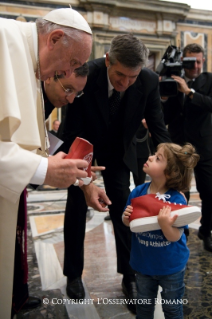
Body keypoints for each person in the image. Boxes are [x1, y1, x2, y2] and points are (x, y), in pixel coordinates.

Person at [0, 8, 111, 319]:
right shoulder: (4, 44)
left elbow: (43, 146)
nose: (67, 73)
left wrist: (83, 181)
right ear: (55, 39)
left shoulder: (35, 66)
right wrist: (43, 169)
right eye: (73, 63)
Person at [58, 33, 171, 313]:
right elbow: (71, 128)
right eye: (120, 75)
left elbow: (158, 126)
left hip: (119, 153)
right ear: (109, 60)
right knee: (76, 207)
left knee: (125, 210)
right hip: (82, 145)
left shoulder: (147, 80)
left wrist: (174, 161)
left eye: (131, 78)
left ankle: (129, 276)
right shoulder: (88, 74)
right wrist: (85, 179)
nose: (124, 83)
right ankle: (73, 274)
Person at [122, 142, 199, 319]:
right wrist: (126, 218)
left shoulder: (177, 199)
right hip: (143, 265)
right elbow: (129, 223)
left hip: (171, 267)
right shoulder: (138, 192)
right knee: (144, 308)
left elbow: (175, 236)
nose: (150, 157)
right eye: (154, 154)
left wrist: (165, 225)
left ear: (171, 172)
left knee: (172, 309)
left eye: (158, 158)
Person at [161, 43, 212, 252]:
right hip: (179, 144)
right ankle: (181, 230)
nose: (196, 66)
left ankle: (206, 231)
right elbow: (167, 116)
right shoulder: (172, 82)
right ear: (182, 61)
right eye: (192, 61)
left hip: (204, 147)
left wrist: (189, 92)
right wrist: (164, 96)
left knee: (209, 192)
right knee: (180, 191)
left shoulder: (208, 80)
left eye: (200, 61)